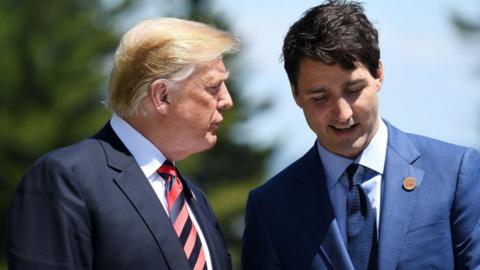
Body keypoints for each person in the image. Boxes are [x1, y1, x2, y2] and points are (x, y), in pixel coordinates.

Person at [241, 1, 480, 269]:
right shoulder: (271, 207)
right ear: (296, 94)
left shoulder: (455, 174)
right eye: (320, 97)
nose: (342, 113)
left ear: (378, 73)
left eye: (353, 89)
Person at [5, 17, 238, 270]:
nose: (227, 100)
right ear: (162, 95)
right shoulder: (65, 179)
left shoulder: (193, 197)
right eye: (214, 86)